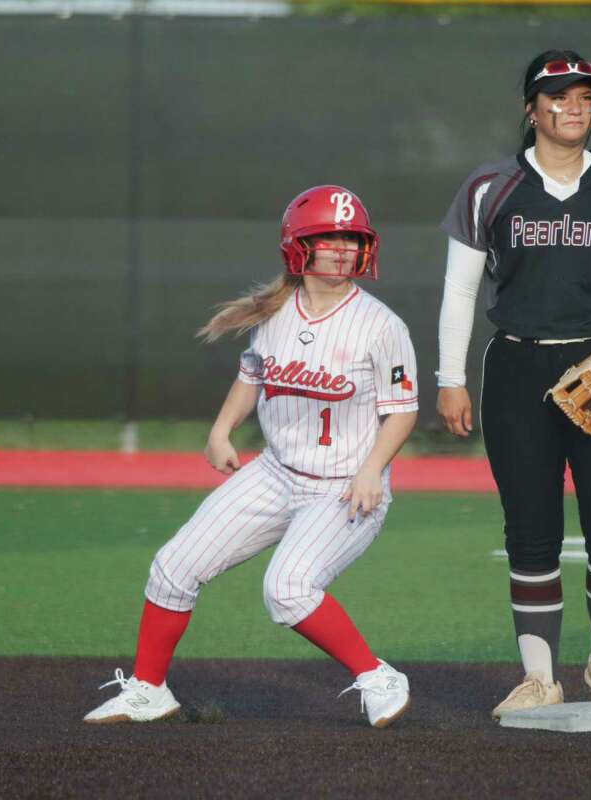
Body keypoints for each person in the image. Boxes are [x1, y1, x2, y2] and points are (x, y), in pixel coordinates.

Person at [85, 185, 419, 729]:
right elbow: (252, 376)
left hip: (344, 487)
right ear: (298, 247)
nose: (341, 249)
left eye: (351, 238)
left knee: (287, 590)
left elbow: (401, 411)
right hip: (275, 473)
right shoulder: (279, 311)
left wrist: (370, 470)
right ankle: (148, 690)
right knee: (172, 569)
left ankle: (378, 676)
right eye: (327, 238)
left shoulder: (382, 325)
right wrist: (221, 430)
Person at [436, 50, 591, 718]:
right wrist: (450, 378)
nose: (574, 108)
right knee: (530, 530)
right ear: (531, 107)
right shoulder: (490, 186)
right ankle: (540, 677)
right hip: (516, 366)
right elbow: (460, 288)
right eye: (559, 96)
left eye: (585, 98)